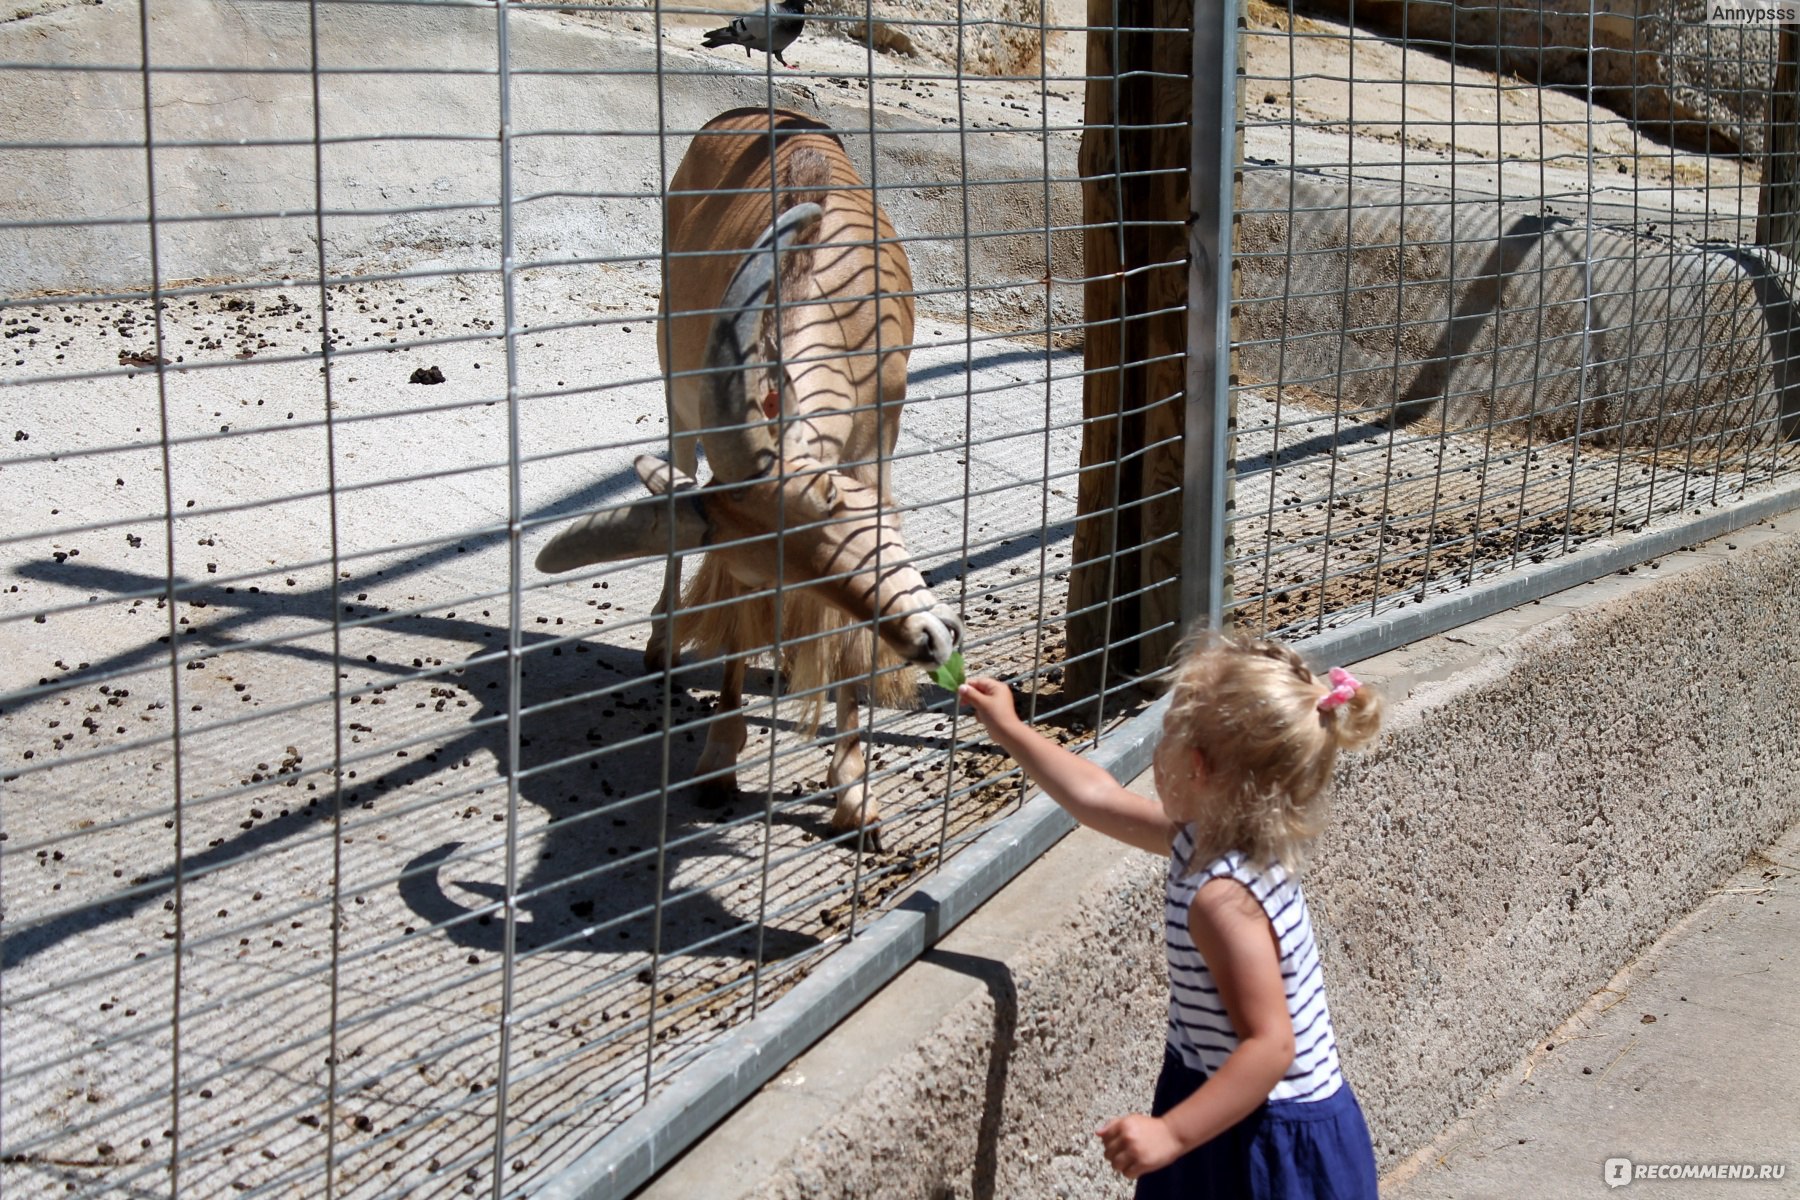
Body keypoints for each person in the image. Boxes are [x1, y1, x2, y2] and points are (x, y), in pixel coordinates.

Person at [958, 630, 1384, 1199]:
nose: (1155, 753)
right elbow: (1096, 797)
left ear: (1199, 768)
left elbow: (1271, 1045)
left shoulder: (1223, 898)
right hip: (1218, 1095)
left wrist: (1170, 1134)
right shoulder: (1206, 840)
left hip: (1267, 1139)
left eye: (1167, 738)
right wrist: (1009, 728)